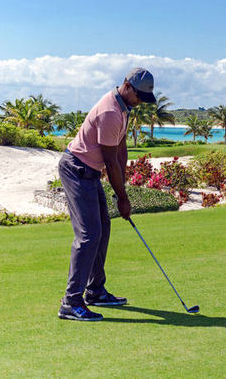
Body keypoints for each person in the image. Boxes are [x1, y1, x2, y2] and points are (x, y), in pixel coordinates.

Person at [57, 67, 156, 321]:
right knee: (89, 235)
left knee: (103, 229)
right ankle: (71, 301)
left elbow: (120, 152)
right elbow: (110, 162)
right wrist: (122, 197)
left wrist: (123, 187)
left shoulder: (124, 109)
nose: (140, 102)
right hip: (77, 170)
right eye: (139, 96)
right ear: (127, 86)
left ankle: (95, 291)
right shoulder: (111, 112)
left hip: (89, 172)